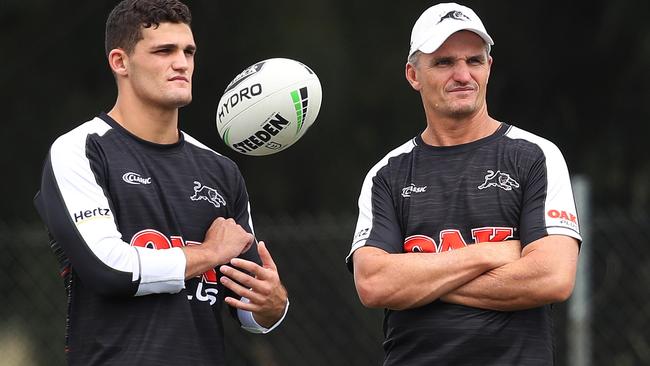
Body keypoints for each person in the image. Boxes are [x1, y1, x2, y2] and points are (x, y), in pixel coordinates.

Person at [33, 0, 289, 364]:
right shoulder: (80, 149)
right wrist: (208, 253)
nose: (182, 63)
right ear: (120, 62)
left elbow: (246, 306)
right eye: (164, 51)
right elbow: (109, 269)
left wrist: (273, 303)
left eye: (188, 51)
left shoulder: (221, 170)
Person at [346, 3, 581, 365]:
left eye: (474, 60)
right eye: (443, 62)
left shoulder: (536, 156)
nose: (462, 74)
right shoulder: (387, 174)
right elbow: (375, 284)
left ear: (488, 67)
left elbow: (552, 278)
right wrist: (491, 253)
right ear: (413, 74)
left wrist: (420, 280)